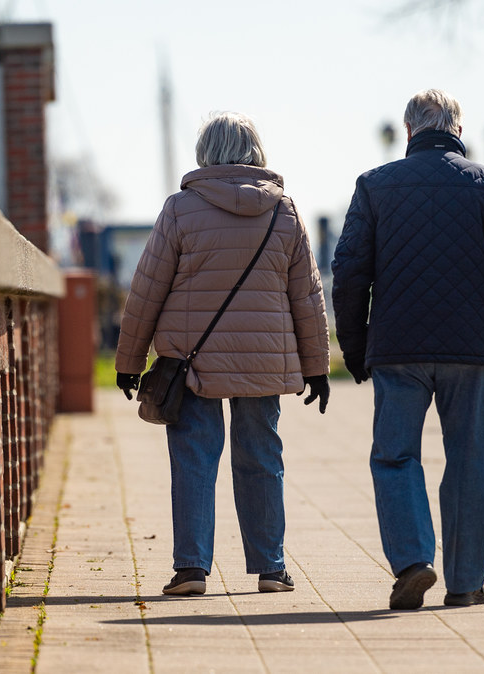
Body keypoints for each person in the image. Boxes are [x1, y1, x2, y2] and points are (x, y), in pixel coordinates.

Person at [331, 89, 484, 610]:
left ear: (409, 131)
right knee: (469, 462)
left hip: (398, 348)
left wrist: (356, 347)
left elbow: (349, 273)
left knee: (395, 455)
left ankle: (412, 562)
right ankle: (466, 583)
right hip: (470, 351)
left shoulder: (374, 186)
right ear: (458, 128)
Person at [114, 112, 330, 596]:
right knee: (261, 458)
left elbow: (147, 290)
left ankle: (192, 568)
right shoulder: (284, 212)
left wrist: (129, 362)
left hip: (192, 360)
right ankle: (271, 569)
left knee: (193, 458)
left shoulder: (180, 210)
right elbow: (308, 298)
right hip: (262, 361)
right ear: (256, 152)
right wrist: (317, 368)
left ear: (204, 154)